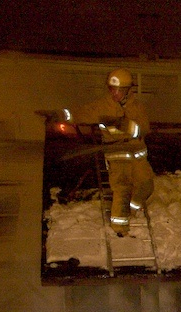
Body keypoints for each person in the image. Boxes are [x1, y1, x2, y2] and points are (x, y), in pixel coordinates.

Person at [65, 68, 155, 236]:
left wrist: (124, 125)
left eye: (118, 90)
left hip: (136, 153)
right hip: (117, 154)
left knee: (147, 185)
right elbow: (81, 113)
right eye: (112, 89)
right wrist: (60, 114)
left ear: (127, 90)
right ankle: (120, 228)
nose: (114, 93)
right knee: (122, 189)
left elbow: (144, 128)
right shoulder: (102, 106)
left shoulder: (137, 107)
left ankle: (131, 208)